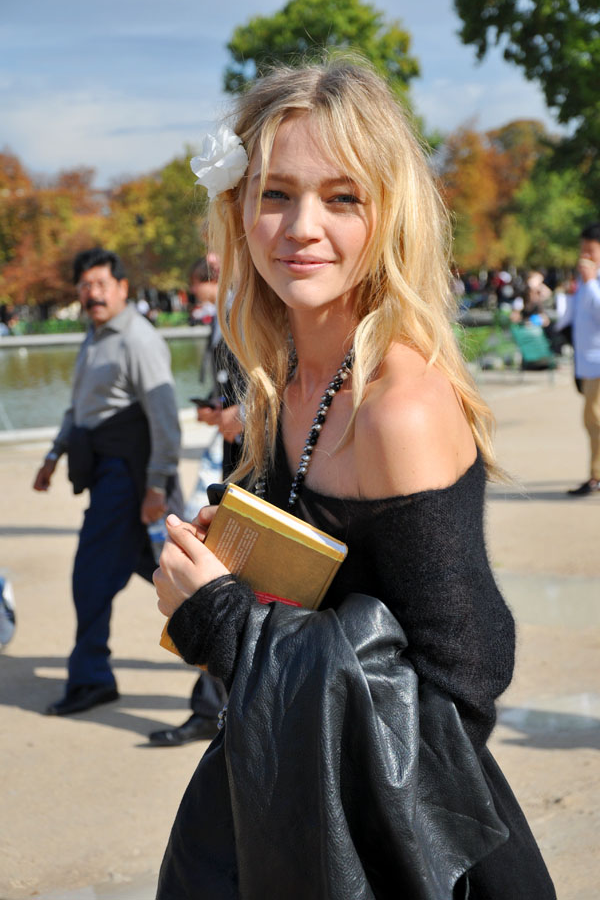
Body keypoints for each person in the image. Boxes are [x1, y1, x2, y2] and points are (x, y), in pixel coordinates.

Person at [152, 60, 556, 897]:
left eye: (342, 197)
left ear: (389, 213)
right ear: (237, 208)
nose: (302, 227)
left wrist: (224, 620)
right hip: (294, 804)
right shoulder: (280, 380)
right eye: (275, 193)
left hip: (403, 852)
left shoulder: (395, 408)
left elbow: (462, 693)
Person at [33, 247, 183, 716]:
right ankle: (229, 664)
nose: (92, 293)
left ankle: (91, 679)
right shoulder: (95, 336)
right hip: (104, 470)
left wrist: (156, 486)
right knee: (166, 572)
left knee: (92, 575)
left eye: (101, 284)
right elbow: (79, 407)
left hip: (129, 474)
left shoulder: (138, 338)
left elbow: (165, 420)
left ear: (122, 288)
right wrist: (54, 454)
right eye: (85, 285)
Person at [147, 254, 239, 747]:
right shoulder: (231, 306)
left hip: (262, 466)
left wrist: (246, 412)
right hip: (236, 463)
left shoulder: (267, 298)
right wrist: (223, 409)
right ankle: (215, 710)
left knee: (225, 583)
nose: (210, 260)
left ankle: (218, 711)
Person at [556, 223, 600, 496]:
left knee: (595, 420)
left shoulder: (592, 281)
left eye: (591, 251)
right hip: (587, 363)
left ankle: (596, 475)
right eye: (582, 250)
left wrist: (591, 282)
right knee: (592, 421)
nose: (585, 256)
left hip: (597, 363)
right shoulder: (585, 282)